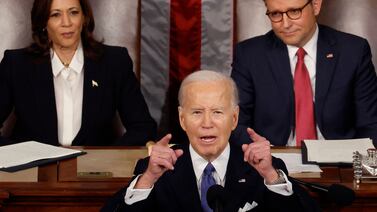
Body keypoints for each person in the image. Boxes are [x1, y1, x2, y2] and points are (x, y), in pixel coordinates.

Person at [101, 70, 318, 211]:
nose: (207, 123)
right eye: (196, 112)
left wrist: (270, 176)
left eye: (217, 112)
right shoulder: (156, 170)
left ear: (234, 119)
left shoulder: (263, 168)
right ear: (182, 119)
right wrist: (148, 179)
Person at [0, 0, 156, 146]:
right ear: (43, 22)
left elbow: (143, 127)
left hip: (95, 171)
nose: (67, 23)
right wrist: (18, 156)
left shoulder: (115, 62)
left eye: (73, 12)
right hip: (32, 171)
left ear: (84, 18)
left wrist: (108, 158)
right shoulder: (16, 64)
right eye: (56, 15)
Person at [231, 0, 377, 147]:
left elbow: (371, 123)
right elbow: (236, 123)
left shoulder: (353, 51)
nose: (286, 24)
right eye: (276, 14)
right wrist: (257, 151)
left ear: (315, 6)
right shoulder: (249, 55)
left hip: (339, 161)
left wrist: (357, 166)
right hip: (273, 159)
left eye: (294, 12)